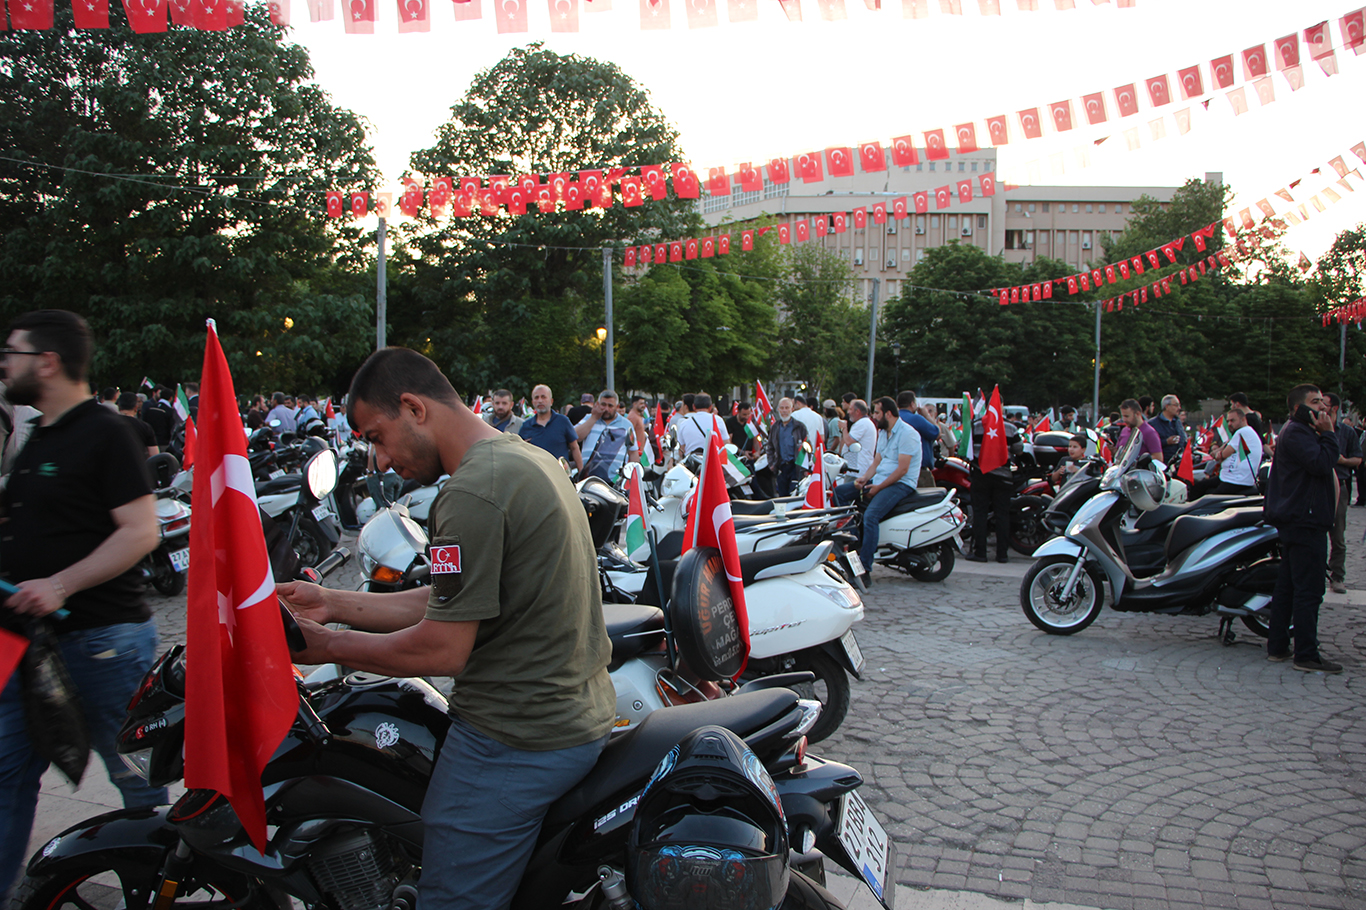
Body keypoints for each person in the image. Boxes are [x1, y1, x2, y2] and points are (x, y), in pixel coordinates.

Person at [278, 347, 614, 910]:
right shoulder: (522, 459)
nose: (379, 460)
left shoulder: (471, 492)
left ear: (413, 407)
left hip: (514, 740)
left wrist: (327, 646)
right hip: (568, 718)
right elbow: (451, 600)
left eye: (377, 436)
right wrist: (330, 601)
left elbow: (443, 646)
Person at [0, 310, 167, 895]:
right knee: (7, 772)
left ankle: (154, 887)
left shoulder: (106, 432)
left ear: (46, 362)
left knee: (135, 778)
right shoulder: (39, 434)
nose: (4, 363)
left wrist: (60, 585)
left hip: (101, 641)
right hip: (31, 642)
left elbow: (141, 532)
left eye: (12, 352)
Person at [1263, 384, 1341, 673]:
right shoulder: (1298, 433)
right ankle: (1306, 654)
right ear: (1299, 408)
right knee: (1309, 590)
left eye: (1323, 401)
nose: (1322, 407)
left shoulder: (1301, 432)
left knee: (1288, 587)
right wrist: (1330, 434)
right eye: (1315, 402)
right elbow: (1321, 463)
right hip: (1304, 521)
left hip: (1299, 519)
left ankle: (1278, 646)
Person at [833, 397, 918, 585]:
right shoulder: (884, 433)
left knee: (871, 515)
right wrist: (864, 479)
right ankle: (855, 538)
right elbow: (877, 461)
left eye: (877, 413)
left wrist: (879, 487)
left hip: (900, 484)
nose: (874, 416)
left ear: (888, 413)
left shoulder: (907, 434)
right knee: (840, 493)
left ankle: (865, 570)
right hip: (879, 478)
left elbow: (902, 470)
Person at [966, 405, 1019, 564]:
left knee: (980, 514)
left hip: (980, 474)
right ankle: (1002, 554)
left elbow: (965, 446)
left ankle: (980, 552)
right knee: (1002, 515)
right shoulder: (1010, 428)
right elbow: (1019, 448)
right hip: (1003, 476)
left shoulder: (975, 425)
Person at [1326, 394, 1361, 595]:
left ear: (1335, 408)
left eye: (1326, 404)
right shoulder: (1314, 430)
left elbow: (1357, 459)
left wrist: (1342, 460)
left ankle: (1337, 576)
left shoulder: (1347, 432)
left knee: (1337, 534)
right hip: (1317, 485)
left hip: (1340, 483)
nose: (1322, 406)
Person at [576, 390, 638, 482]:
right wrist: (594, 418)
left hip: (615, 480)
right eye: (603, 405)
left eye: (610, 406)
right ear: (597, 404)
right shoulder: (589, 418)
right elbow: (576, 436)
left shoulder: (626, 425)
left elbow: (633, 452)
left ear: (617, 407)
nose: (606, 409)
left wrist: (633, 477)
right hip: (588, 478)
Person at [518, 385, 582, 472]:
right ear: (533, 402)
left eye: (543, 397)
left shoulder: (562, 421)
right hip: (537, 476)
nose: (540, 400)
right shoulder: (526, 426)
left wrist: (581, 472)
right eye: (536, 398)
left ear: (551, 401)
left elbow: (574, 448)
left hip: (560, 475)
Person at [1208, 408, 1262, 495]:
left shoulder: (1241, 432)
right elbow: (1226, 448)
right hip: (1240, 479)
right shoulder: (1248, 432)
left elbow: (1224, 454)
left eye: (1232, 421)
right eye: (1228, 421)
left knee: (1201, 491)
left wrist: (1218, 454)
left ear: (1243, 419)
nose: (1229, 424)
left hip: (1235, 480)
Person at [764, 398, 807, 496]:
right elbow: (770, 446)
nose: (784, 411)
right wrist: (771, 463)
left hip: (795, 466)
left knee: (793, 494)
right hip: (781, 466)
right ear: (778, 409)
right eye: (782, 408)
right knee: (782, 495)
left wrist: (804, 468)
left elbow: (806, 446)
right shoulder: (775, 427)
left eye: (787, 408)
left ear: (792, 409)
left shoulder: (799, 427)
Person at [897, 391, 940, 488]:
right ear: (912, 404)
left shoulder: (893, 419)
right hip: (918, 470)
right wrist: (926, 415)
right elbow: (936, 433)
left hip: (895, 470)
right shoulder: (917, 419)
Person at [1116, 398, 1164, 463]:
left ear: (1137, 414)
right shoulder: (1124, 430)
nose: (1124, 419)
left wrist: (1139, 461)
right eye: (1123, 416)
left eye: (1127, 416)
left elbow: (1158, 458)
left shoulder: (1149, 432)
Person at [839, 399, 877, 478]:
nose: (848, 412)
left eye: (850, 409)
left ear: (858, 411)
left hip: (856, 470)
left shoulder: (862, 423)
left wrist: (843, 428)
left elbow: (849, 442)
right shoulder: (864, 423)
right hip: (855, 469)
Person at [117, 391, 159, 457]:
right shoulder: (145, 427)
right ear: (136, 408)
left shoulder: (107, 424)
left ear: (119, 406)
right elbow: (154, 454)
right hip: (137, 464)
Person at [1150, 395, 1187, 464]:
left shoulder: (1177, 422)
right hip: (1162, 464)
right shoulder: (1153, 424)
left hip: (1178, 464)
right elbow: (1149, 445)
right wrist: (1166, 442)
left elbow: (1183, 440)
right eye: (1176, 405)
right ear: (1167, 406)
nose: (1179, 408)